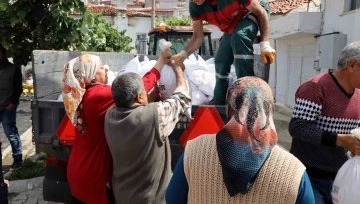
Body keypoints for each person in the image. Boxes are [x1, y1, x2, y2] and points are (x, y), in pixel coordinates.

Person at [166, 76, 315, 204]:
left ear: (229, 109)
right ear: (270, 111)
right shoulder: (294, 172)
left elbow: (172, 199)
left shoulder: (194, 152)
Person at [62, 52, 171, 204]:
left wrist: (151, 99)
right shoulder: (98, 95)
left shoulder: (82, 95)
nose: (106, 69)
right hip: (94, 175)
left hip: (78, 169)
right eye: (101, 67)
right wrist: (160, 63)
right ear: (91, 74)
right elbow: (139, 87)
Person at [173, 0, 276, 105]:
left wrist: (265, 43)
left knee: (240, 36)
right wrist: (183, 54)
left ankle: (248, 96)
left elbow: (261, 12)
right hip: (232, 24)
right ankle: (219, 99)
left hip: (250, 14)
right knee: (221, 58)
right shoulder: (195, 6)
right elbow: (198, 37)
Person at [104, 59, 191, 204]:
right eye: (144, 90)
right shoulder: (153, 116)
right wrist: (178, 70)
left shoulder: (110, 115)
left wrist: (152, 94)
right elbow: (182, 99)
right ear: (139, 97)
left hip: (122, 196)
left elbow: (136, 109)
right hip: (151, 200)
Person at [289, 41, 360, 204]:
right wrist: (341, 140)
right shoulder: (315, 87)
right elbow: (298, 127)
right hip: (309, 176)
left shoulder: (359, 95)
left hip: (341, 177)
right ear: (352, 65)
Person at [0, 44, 23, 170]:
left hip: (7, 108)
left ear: (3, 54)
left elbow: (18, 88)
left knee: (11, 134)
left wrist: (12, 103)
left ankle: (18, 159)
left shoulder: (13, 69)